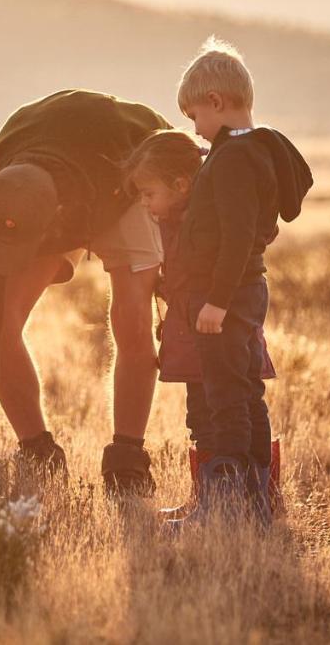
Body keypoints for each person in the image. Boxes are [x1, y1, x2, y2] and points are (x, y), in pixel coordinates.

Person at [0, 89, 172, 494]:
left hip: (119, 183)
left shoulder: (120, 163)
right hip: (47, 185)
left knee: (131, 322)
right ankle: (38, 451)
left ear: (58, 219)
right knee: (0, 324)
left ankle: (127, 459)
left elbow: (172, 164)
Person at [161, 37, 311, 526]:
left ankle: (224, 509)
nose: (197, 132)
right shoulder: (260, 150)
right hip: (248, 290)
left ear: (216, 103)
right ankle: (256, 501)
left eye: (195, 118)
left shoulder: (231, 160)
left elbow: (237, 235)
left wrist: (216, 302)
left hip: (226, 295)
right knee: (246, 392)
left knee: (224, 395)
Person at [121, 129, 280, 520]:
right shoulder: (176, 217)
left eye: (149, 194)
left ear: (180, 185)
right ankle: (223, 498)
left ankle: (231, 503)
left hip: (211, 322)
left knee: (224, 406)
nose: (145, 203)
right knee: (206, 409)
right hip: (194, 325)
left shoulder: (203, 220)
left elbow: (214, 261)